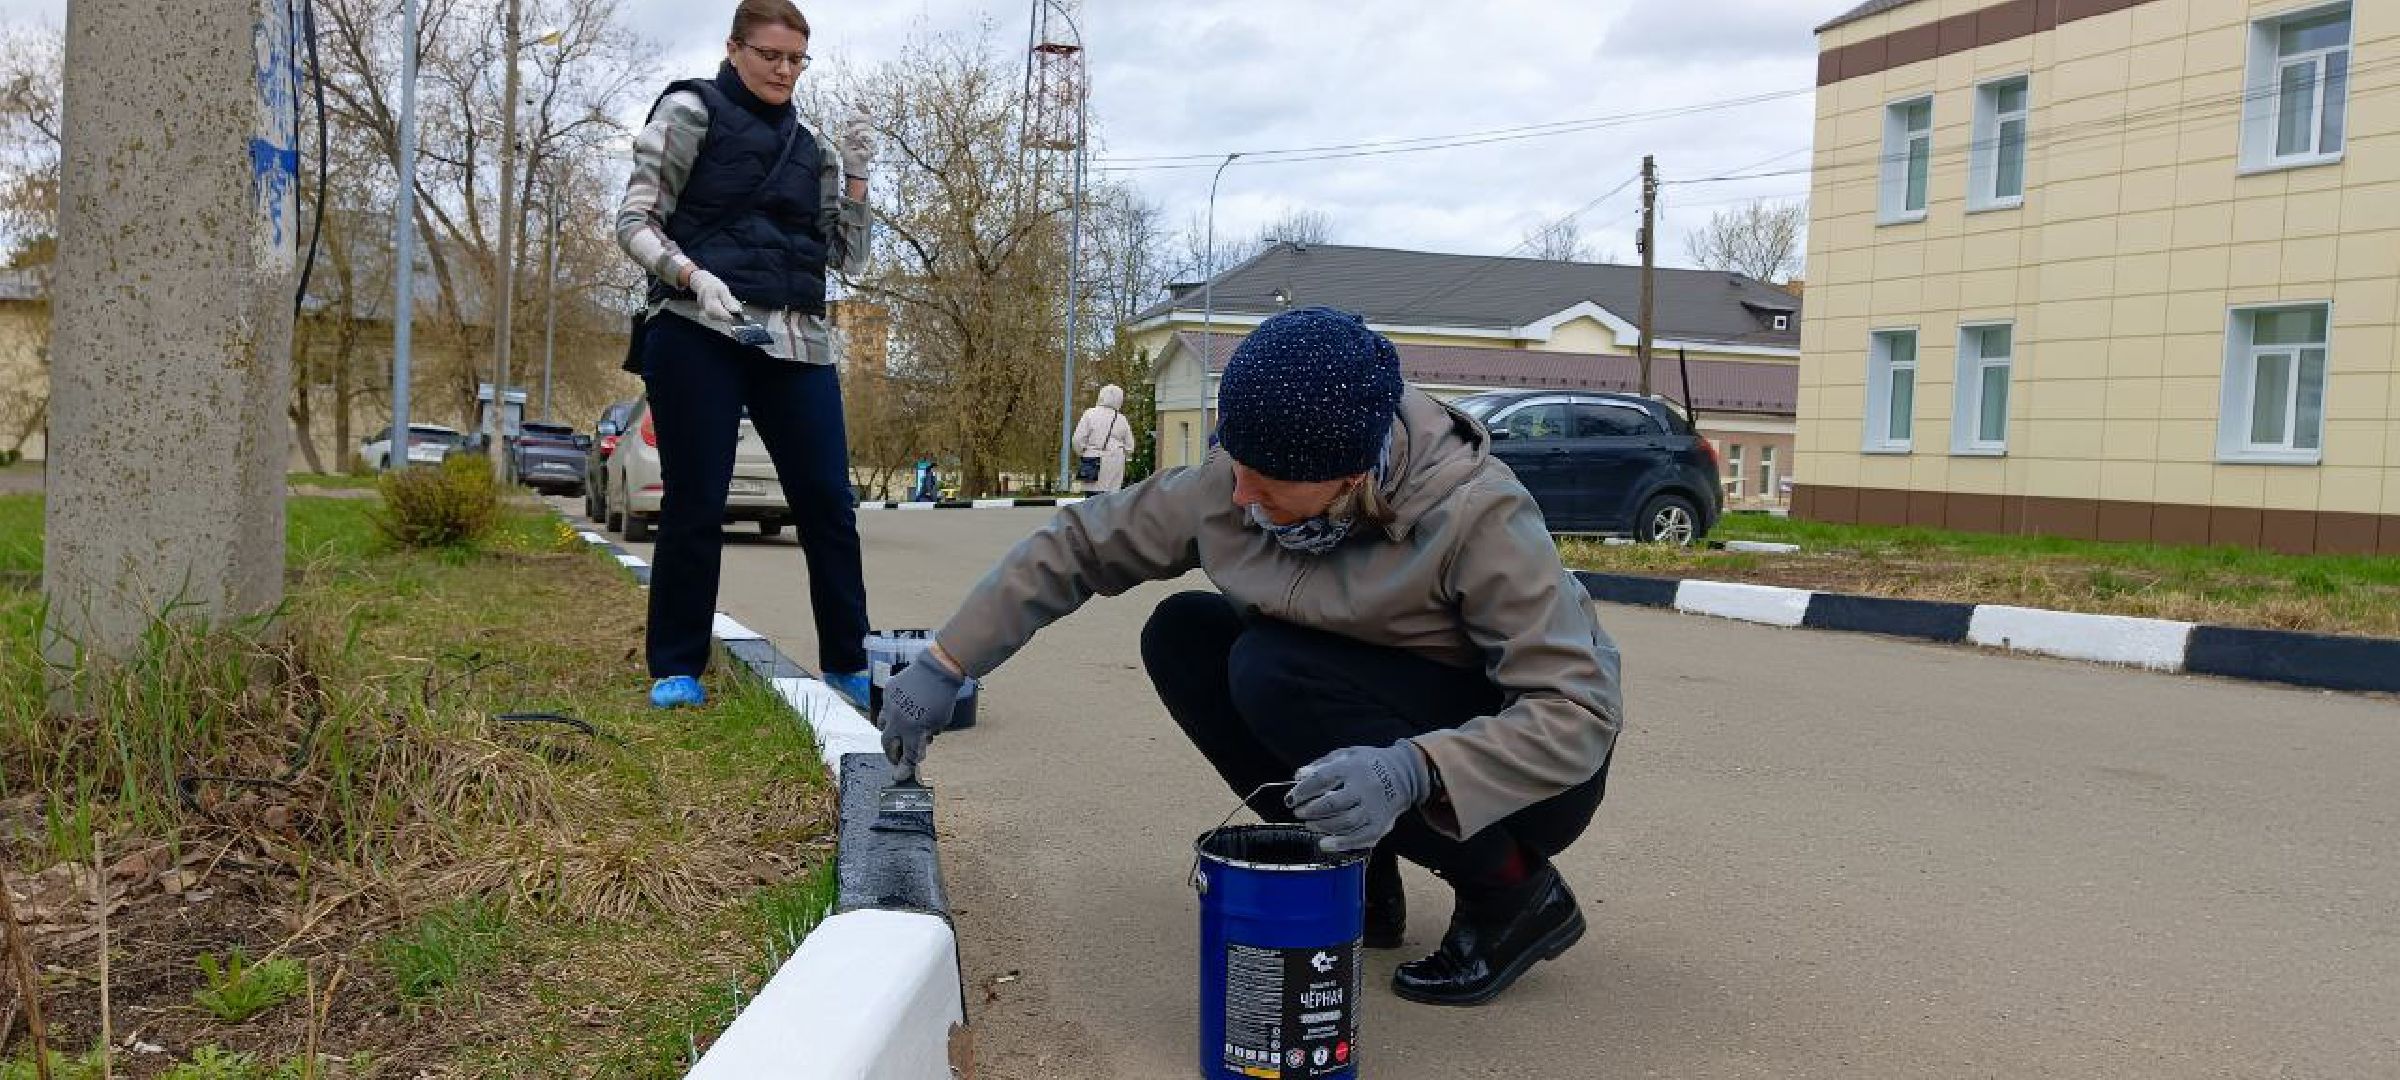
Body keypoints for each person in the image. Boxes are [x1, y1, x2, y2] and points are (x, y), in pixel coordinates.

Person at [878, 306, 1622, 1007]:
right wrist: (948, 661)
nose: (1237, 490)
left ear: (1350, 474)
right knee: (1184, 634)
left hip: (1516, 772)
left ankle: (1513, 894)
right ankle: (1358, 876)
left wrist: (1413, 770)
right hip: (1353, 704)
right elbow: (1081, 543)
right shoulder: (1234, 483)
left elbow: (1574, 710)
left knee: (1271, 672)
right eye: (1235, 462)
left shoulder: (1475, 515)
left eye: (1265, 479)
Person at [615, 0, 877, 710]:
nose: (784, 71)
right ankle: (676, 667)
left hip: (797, 337)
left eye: (797, 60)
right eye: (771, 56)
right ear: (734, 49)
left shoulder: (814, 149)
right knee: (698, 500)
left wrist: (856, 176)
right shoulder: (690, 113)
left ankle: (850, 664)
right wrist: (693, 278)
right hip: (700, 326)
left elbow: (849, 257)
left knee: (828, 502)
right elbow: (634, 221)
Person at [1071, 384, 1135, 495]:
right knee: (1111, 498)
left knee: (1092, 499)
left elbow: (1077, 440)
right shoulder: (1121, 419)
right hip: (1115, 462)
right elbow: (1130, 446)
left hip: (1092, 461)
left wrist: (1083, 452)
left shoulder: (1089, 414)